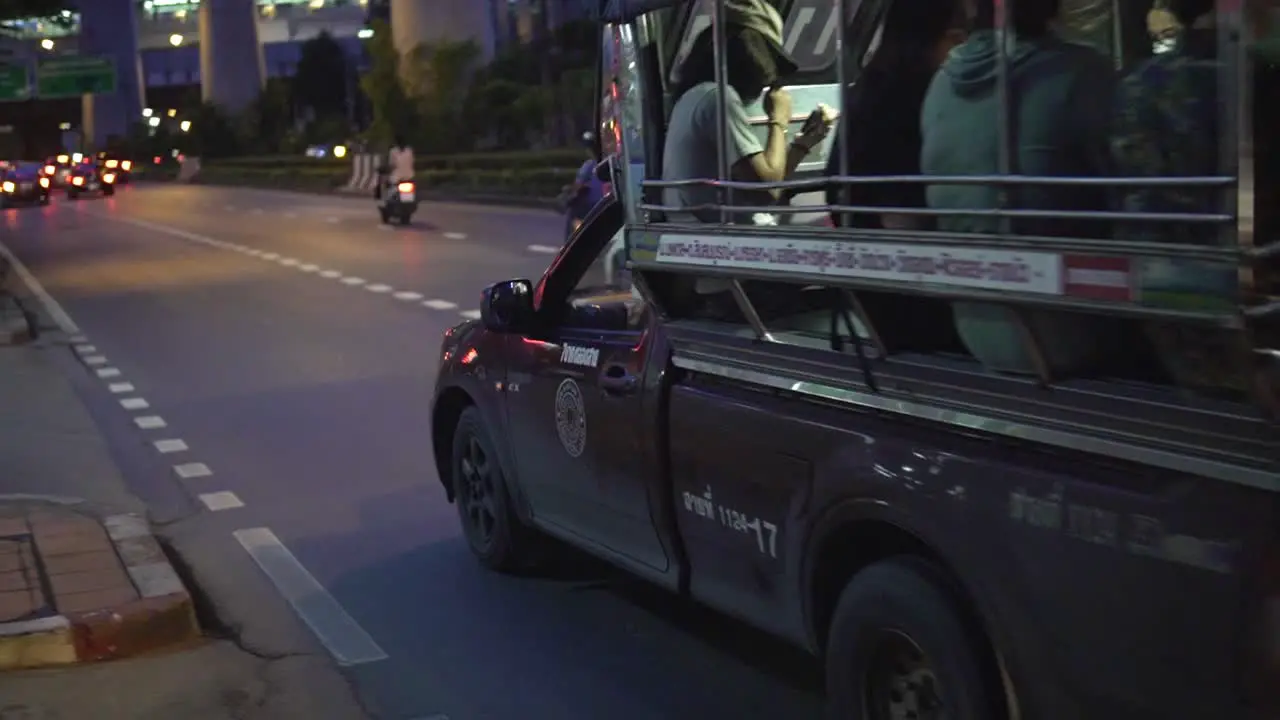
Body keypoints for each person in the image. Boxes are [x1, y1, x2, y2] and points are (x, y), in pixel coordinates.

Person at [920, 0, 1118, 377]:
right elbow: (1123, 186)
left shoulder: (941, 83)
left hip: (977, 326)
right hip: (1072, 325)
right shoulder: (1082, 71)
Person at [660, 0, 833, 224]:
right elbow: (767, 190)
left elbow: (768, 185)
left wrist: (805, 141)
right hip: (722, 237)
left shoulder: (696, 96)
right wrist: (778, 120)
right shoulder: (718, 98)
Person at [561, 131, 606, 240]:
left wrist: (570, 195)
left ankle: (572, 241)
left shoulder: (589, 165)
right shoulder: (611, 162)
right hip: (607, 204)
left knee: (573, 213)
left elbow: (578, 186)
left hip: (592, 206)